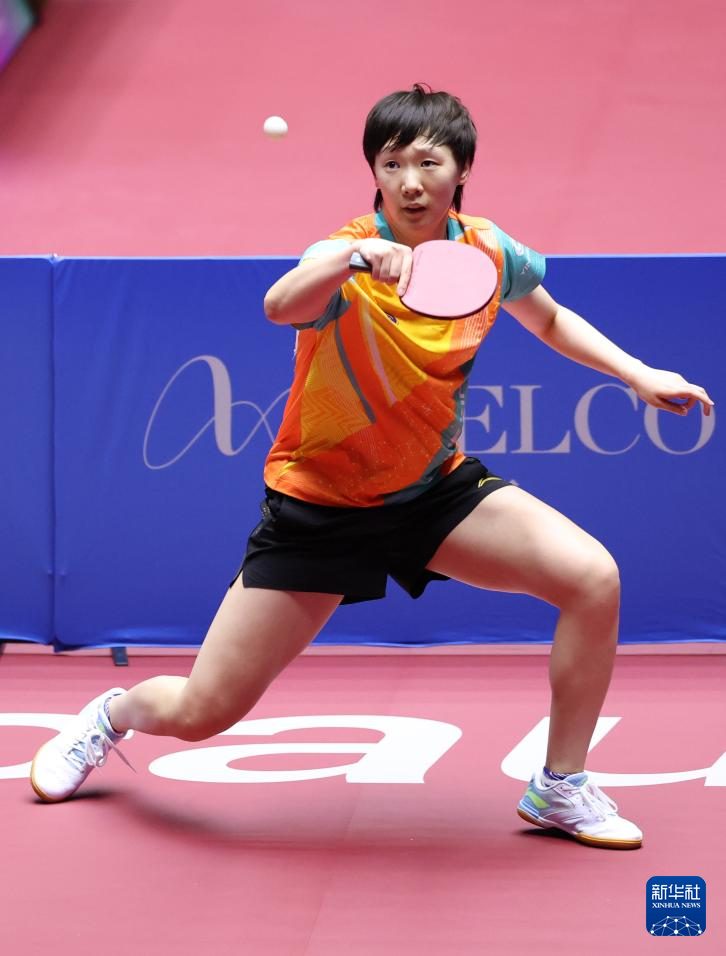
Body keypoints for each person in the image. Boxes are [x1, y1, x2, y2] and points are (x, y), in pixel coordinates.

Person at [30, 85, 713, 849]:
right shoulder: (343, 254)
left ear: (463, 170)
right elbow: (281, 305)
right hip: (320, 508)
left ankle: (560, 785)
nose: (410, 183)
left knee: (592, 578)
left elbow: (547, 315)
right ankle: (111, 716)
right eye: (392, 165)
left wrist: (637, 373)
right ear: (374, 173)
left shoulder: (488, 250)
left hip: (432, 492)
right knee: (203, 710)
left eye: (429, 163)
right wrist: (350, 261)